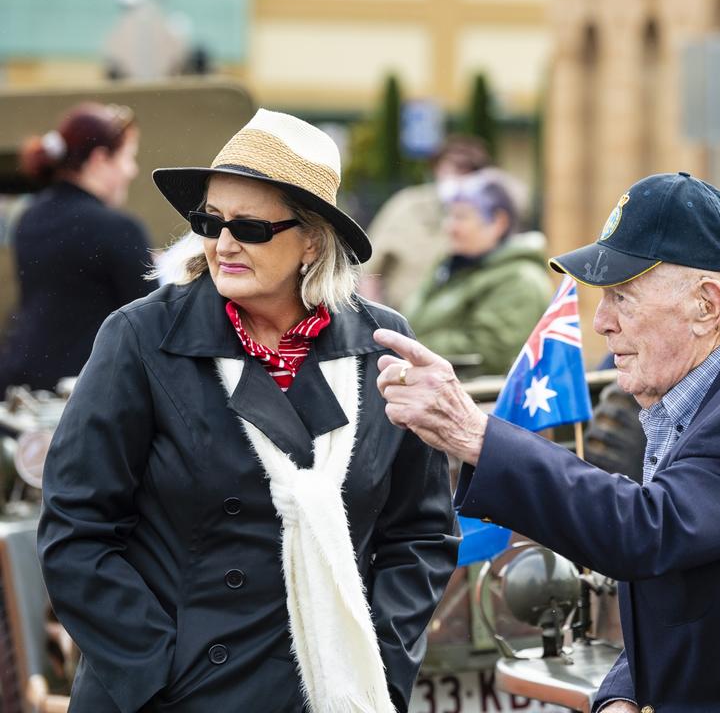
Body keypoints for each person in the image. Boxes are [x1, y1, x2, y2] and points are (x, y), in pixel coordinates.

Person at [375, 172, 720, 713]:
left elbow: (647, 533)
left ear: (706, 305)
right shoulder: (708, 393)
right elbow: (682, 588)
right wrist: (623, 694)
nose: (601, 322)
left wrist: (477, 435)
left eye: (623, 296)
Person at [38, 109, 458, 713]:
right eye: (209, 221)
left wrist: (380, 665)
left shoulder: (382, 343)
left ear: (313, 238)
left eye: (251, 228)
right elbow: (75, 532)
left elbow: (419, 532)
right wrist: (159, 675)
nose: (222, 243)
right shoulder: (139, 337)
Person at [0, 102, 156, 392]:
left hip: (19, 381)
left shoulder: (30, 216)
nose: (132, 171)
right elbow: (155, 318)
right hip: (80, 389)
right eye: (127, 158)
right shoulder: (118, 228)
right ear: (99, 160)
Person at [400, 167, 550, 377]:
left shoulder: (520, 280)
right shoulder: (453, 267)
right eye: (449, 216)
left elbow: (488, 354)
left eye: (461, 217)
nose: (449, 227)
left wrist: (404, 347)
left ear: (499, 222)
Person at [359, 135, 491, 309]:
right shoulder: (407, 206)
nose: (458, 180)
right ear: (437, 169)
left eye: (466, 173)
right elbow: (369, 271)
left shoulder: (487, 218)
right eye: (452, 170)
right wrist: (378, 320)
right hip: (401, 323)